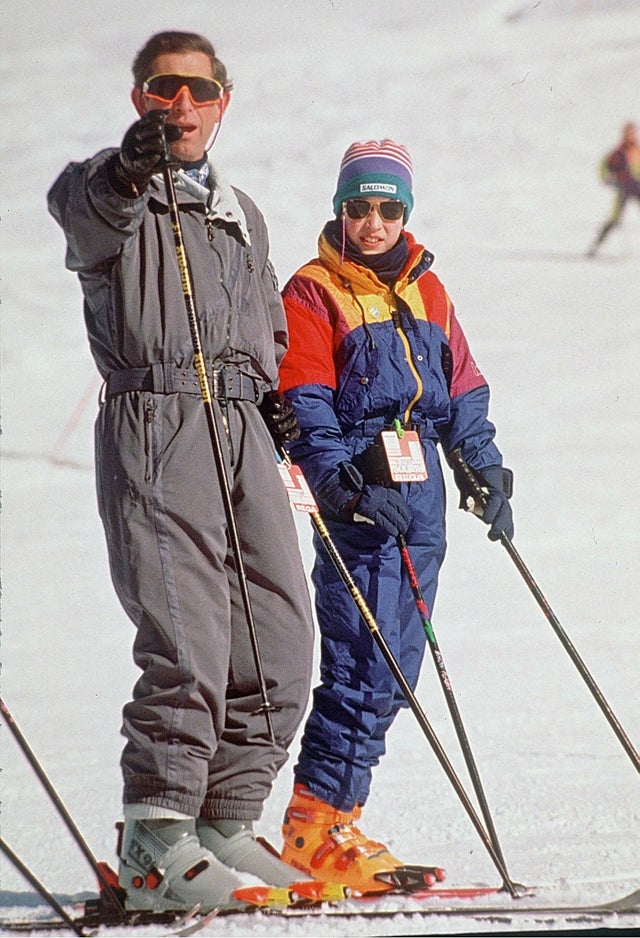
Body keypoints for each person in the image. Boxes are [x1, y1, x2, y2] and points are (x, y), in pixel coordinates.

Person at [47, 30, 316, 913]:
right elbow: (86, 211)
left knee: (279, 636)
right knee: (187, 634)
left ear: (223, 101)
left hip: (240, 427)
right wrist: (126, 170)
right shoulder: (110, 189)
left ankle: (221, 820)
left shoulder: (241, 212)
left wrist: (270, 394)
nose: (184, 106)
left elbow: (266, 322)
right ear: (142, 100)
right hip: (158, 422)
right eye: (166, 90)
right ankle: (157, 837)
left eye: (201, 91)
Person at [277, 140, 514, 894]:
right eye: (358, 207)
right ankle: (314, 826)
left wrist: (480, 465)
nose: (372, 222)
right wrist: (342, 484)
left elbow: (462, 389)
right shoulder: (314, 292)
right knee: (362, 663)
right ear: (340, 209)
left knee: (401, 669)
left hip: (421, 501)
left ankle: (337, 818)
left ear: (404, 212)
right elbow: (305, 403)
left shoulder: (428, 290)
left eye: (387, 208)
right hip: (361, 498)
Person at [588, 121, 640, 257]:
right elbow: (603, 167)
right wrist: (607, 179)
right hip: (624, 189)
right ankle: (596, 245)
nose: (631, 136)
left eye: (633, 133)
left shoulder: (637, 151)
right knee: (615, 218)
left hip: (638, 187)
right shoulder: (617, 153)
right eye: (628, 133)